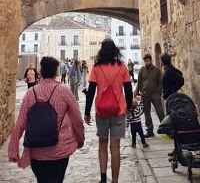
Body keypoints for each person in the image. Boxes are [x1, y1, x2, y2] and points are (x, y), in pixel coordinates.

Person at [8, 57, 85, 183]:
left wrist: (13, 151)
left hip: (37, 151)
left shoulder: (30, 93)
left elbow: (20, 123)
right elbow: (77, 118)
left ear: (41, 72)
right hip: (60, 150)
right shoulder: (63, 91)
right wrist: (80, 139)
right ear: (55, 73)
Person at [84, 38, 133, 183]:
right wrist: (128, 108)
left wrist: (87, 112)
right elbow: (128, 90)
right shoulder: (122, 67)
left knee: (102, 143)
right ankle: (115, 181)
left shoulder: (97, 67)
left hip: (101, 111)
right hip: (118, 111)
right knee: (116, 147)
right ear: (115, 51)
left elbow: (91, 91)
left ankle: (103, 178)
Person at [159, 53, 184, 161]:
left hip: (172, 100)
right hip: (170, 99)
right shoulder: (169, 70)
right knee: (174, 126)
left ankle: (177, 153)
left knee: (174, 126)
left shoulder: (169, 71)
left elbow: (180, 78)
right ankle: (176, 150)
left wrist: (173, 90)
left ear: (162, 62)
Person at [135, 54, 165, 138]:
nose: (146, 63)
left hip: (155, 94)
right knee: (147, 113)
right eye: (145, 61)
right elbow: (139, 82)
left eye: (147, 61)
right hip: (145, 94)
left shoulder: (157, 70)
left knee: (160, 112)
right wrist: (137, 93)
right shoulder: (142, 70)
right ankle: (150, 130)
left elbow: (160, 82)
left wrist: (159, 92)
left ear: (151, 60)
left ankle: (165, 129)